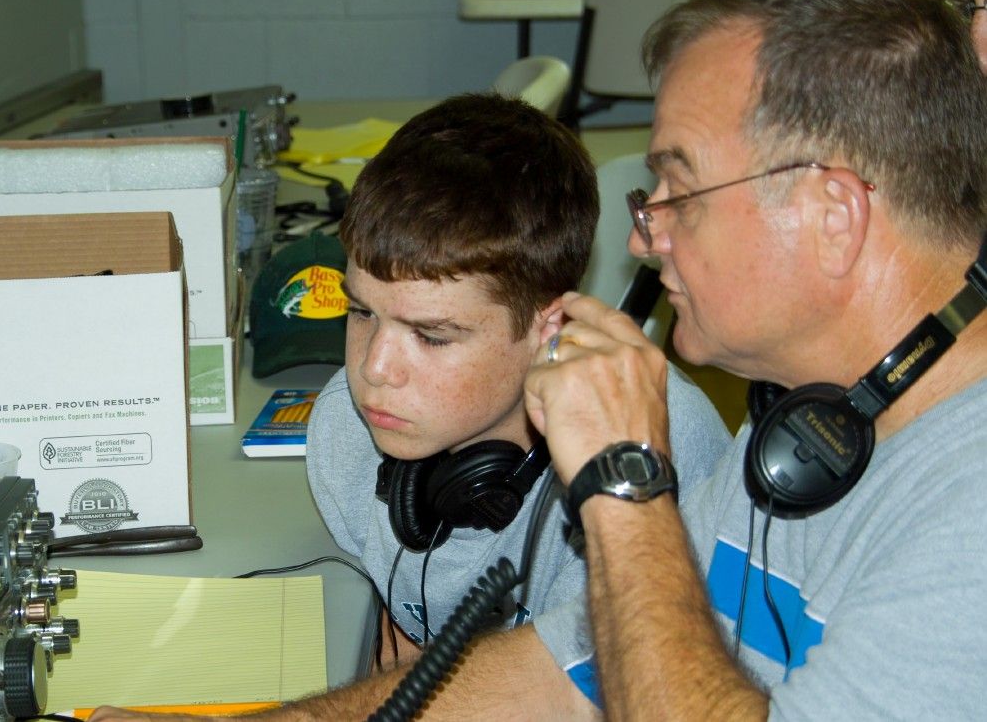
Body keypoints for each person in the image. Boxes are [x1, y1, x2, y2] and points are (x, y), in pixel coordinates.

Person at [90, 94, 731, 720]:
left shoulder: (658, 463)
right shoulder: (346, 432)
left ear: (549, 327)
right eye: (361, 311)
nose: (373, 370)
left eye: (432, 336)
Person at [523, 0, 987, 719]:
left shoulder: (971, 518)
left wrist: (623, 487)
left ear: (834, 216)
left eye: (681, 188)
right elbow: (560, 675)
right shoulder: (809, 416)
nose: (644, 239)